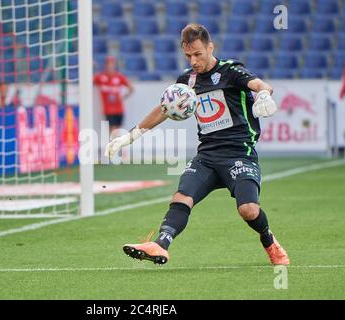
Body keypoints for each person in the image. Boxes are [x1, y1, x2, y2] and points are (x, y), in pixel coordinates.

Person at [105, 24, 290, 266]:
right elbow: (164, 110)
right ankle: (160, 245)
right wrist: (129, 137)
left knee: (248, 210)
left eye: (198, 54)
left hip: (239, 154)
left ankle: (270, 242)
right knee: (181, 197)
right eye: (188, 55)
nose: (193, 61)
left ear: (210, 47)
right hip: (207, 156)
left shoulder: (231, 71)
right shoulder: (186, 80)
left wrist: (265, 95)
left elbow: (261, 85)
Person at [94, 56, 134, 136]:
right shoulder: (100, 77)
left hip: (119, 109)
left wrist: (124, 96)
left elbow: (131, 88)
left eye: (112, 64)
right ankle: (115, 147)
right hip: (108, 110)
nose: (110, 66)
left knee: (119, 130)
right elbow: (90, 81)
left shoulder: (119, 77)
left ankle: (119, 147)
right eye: (108, 64)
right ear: (105, 65)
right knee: (113, 130)